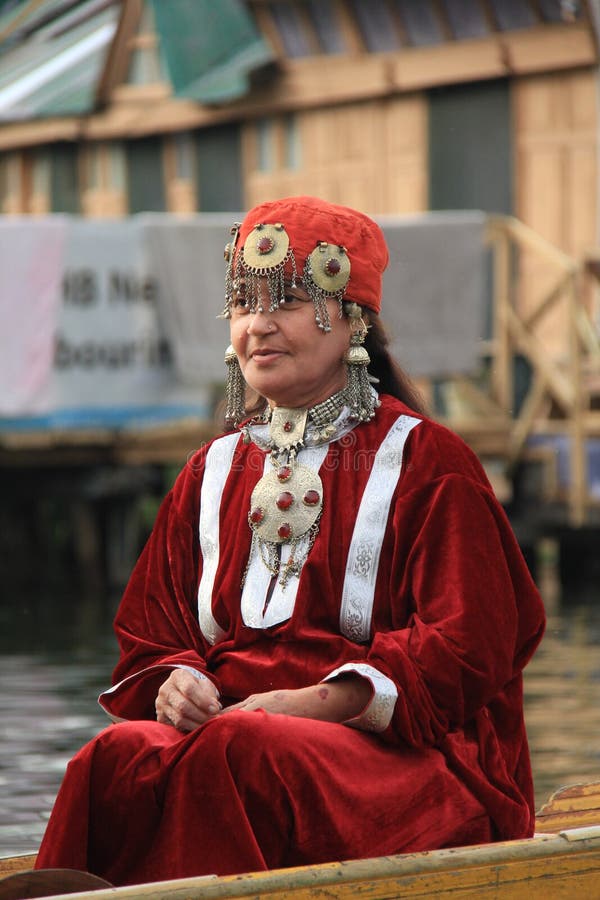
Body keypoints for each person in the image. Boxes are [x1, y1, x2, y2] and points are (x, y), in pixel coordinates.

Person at [35, 196, 546, 887]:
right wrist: (176, 683)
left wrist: (308, 702)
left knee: (248, 744)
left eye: (288, 302)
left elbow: (470, 646)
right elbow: (152, 637)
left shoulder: (428, 461)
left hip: (399, 757)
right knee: (113, 756)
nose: (259, 326)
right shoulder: (210, 471)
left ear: (354, 319)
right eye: (245, 305)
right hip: (236, 736)